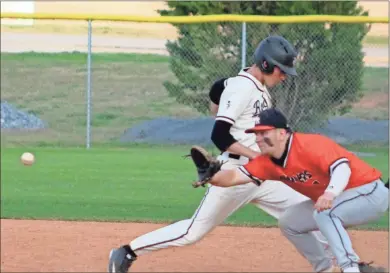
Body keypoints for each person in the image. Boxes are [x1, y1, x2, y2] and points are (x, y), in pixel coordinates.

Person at [108, 35, 333, 273]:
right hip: (236, 174)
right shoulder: (242, 86)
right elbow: (220, 135)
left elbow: (218, 96)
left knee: (314, 213)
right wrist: (255, 156)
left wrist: (219, 93)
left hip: (263, 176)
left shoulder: (257, 88)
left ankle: (345, 266)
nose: (285, 76)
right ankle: (126, 252)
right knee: (192, 232)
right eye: (282, 70)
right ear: (266, 64)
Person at [193, 107, 389, 273]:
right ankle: (325, 268)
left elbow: (341, 168)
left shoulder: (310, 144)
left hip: (369, 191)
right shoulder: (267, 163)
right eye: (256, 134)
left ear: (282, 133)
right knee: (290, 221)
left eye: (264, 133)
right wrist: (213, 175)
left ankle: (351, 268)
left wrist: (330, 194)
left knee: (324, 213)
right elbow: (234, 177)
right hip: (339, 200)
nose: (258, 138)